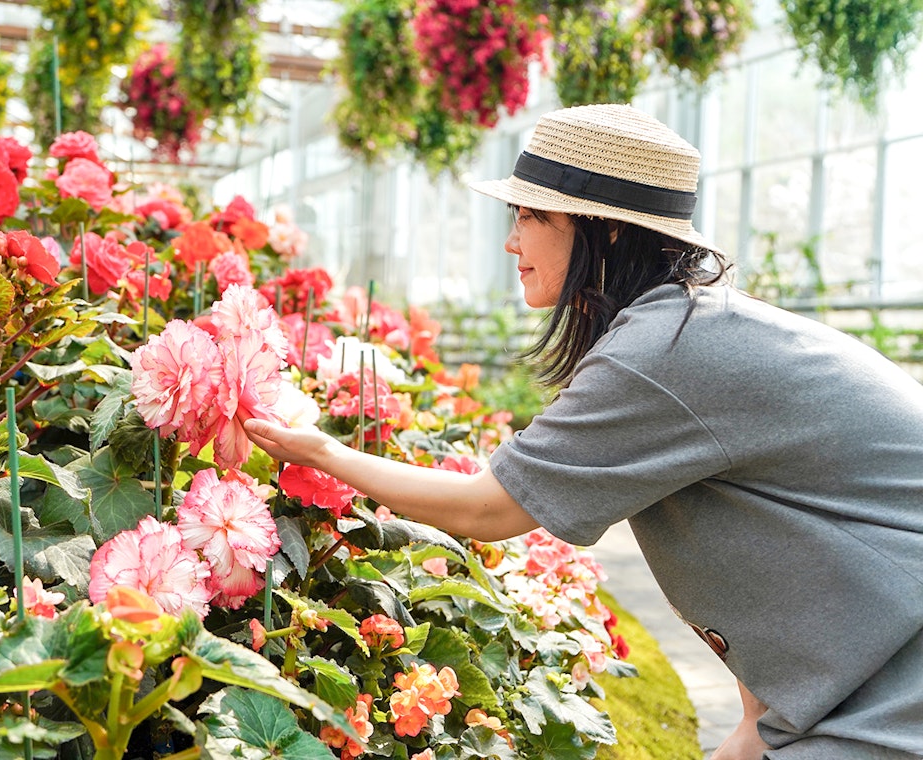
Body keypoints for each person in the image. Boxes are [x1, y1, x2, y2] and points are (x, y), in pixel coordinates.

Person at [244, 103, 923, 759]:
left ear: (610, 232)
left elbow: (487, 508)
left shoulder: (666, 350)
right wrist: (754, 733)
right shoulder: (690, 329)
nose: (512, 239)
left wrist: (326, 453)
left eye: (532, 215)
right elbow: (764, 610)